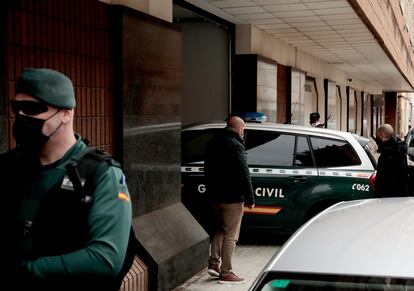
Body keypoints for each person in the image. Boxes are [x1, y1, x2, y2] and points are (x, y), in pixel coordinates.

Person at [0, 68, 132, 290]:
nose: (22, 117)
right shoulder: (9, 166)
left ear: (66, 113)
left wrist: (27, 270)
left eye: (33, 108)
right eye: (17, 108)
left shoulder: (101, 174)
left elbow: (107, 258)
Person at [204, 115, 255, 284]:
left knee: (218, 229)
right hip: (231, 198)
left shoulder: (212, 142)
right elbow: (244, 173)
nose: (243, 133)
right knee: (230, 235)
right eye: (243, 130)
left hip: (213, 196)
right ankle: (226, 272)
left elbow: (207, 170)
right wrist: (250, 198)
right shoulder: (235, 146)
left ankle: (214, 264)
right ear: (239, 129)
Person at [374, 123, 409, 197]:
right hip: (401, 194)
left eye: (377, 136)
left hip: (388, 196)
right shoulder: (400, 149)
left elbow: (382, 179)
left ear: (382, 136)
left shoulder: (386, 154)